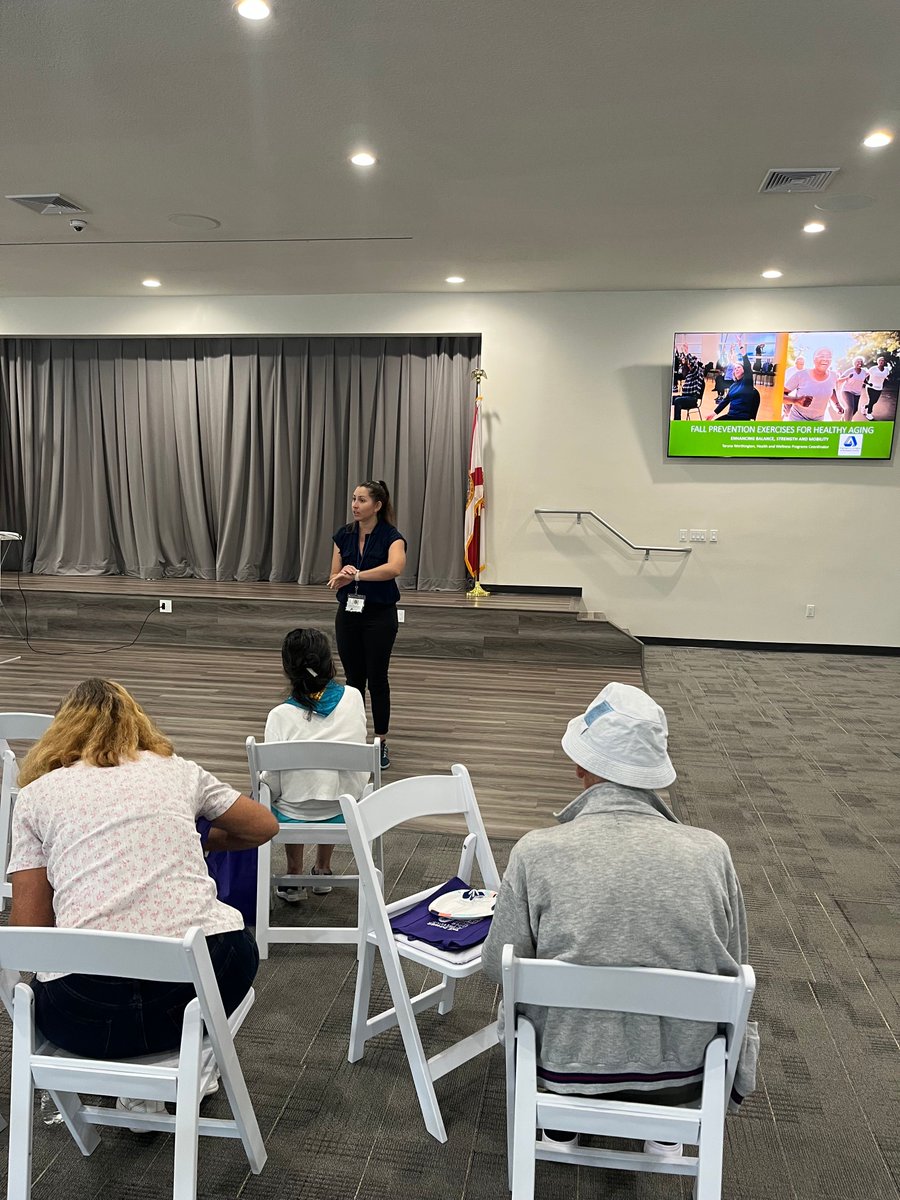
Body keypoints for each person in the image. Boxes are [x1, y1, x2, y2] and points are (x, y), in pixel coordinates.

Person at [481, 682, 759, 1155]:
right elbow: (735, 967)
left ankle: (559, 1121)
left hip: (561, 1070)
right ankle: (665, 1129)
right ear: (655, 775)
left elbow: (497, 967)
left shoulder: (536, 853)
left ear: (581, 765)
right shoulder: (713, 853)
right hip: (685, 1079)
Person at [7, 678, 278, 1119]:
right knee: (233, 936)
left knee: (60, 975)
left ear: (59, 732)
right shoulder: (177, 770)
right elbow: (264, 826)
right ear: (137, 723)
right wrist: (198, 839)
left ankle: (145, 1083)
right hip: (199, 986)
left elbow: (28, 932)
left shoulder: (37, 796)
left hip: (87, 1016)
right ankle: (190, 1064)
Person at [263, 627, 370, 902]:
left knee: (284, 790)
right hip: (343, 809)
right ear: (329, 662)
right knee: (333, 780)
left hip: (292, 813)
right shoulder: (354, 697)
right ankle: (323, 870)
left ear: (288, 668)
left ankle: (294, 875)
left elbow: (273, 783)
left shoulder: (279, 716)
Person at [328, 480, 406, 771]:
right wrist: (344, 573)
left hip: (379, 616)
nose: (355, 505)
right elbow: (333, 576)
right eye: (353, 499)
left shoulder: (392, 537)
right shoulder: (343, 535)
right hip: (348, 614)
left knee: (377, 679)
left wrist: (358, 575)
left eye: (361, 500)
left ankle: (380, 741)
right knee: (353, 680)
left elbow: (395, 568)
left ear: (377, 505)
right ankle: (355, 736)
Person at [783, 347, 840, 421]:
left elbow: (830, 389)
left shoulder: (833, 375)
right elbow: (780, 395)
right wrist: (796, 401)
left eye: (829, 356)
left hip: (818, 420)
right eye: (822, 356)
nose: (825, 359)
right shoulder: (801, 374)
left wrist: (837, 404)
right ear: (814, 359)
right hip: (798, 418)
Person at [706, 345, 759, 420]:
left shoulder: (747, 383)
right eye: (735, 368)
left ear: (744, 370)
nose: (736, 369)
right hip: (731, 416)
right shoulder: (733, 386)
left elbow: (747, 366)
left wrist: (741, 347)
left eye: (739, 367)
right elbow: (725, 401)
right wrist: (714, 413)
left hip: (742, 418)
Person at [835, 357, 868, 421]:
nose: (859, 363)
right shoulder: (850, 371)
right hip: (847, 390)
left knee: (855, 410)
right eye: (857, 361)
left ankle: (843, 419)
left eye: (861, 361)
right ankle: (847, 425)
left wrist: (868, 383)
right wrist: (847, 377)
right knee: (850, 407)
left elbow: (863, 380)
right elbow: (839, 380)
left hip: (857, 392)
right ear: (854, 363)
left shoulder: (864, 372)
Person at [863, 355, 891, 420]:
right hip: (871, 387)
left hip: (879, 388)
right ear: (878, 362)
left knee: (874, 401)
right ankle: (869, 413)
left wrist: (884, 384)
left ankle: (865, 407)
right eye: (880, 360)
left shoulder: (886, 370)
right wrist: (868, 383)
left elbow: (886, 378)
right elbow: (865, 376)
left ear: (885, 362)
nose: (881, 361)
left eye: (882, 360)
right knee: (871, 400)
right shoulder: (873, 369)